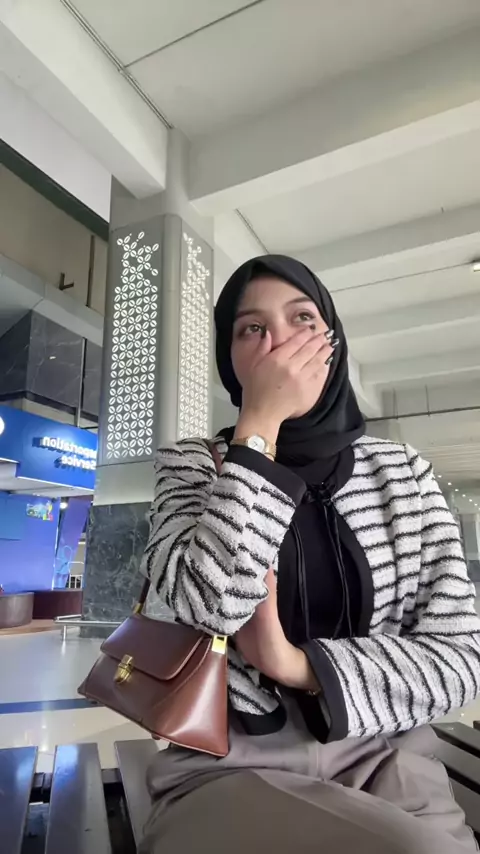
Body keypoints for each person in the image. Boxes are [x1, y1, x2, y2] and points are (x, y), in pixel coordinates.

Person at [139, 255, 480, 853]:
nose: (278, 344)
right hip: (228, 760)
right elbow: (207, 606)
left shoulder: (401, 473)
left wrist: (294, 664)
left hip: (388, 751)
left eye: (302, 319)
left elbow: (459, 662)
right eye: (252, 328)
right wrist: (259, 428)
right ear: (229, 358)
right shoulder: (191, 465)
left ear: (332, 342)